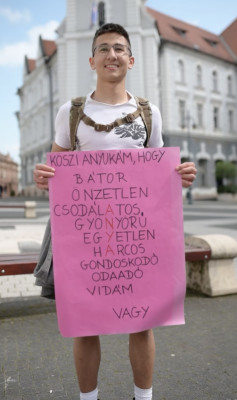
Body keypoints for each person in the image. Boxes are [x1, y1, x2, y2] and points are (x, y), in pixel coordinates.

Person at [32, 23, 197, 400]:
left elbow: (161, 169)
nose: (112, 55)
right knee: (84, 323)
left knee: (143, 320)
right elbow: (55, 169)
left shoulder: (147, 113)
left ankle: (144, 397)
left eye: (120, 49)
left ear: (131, 60)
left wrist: (182, 173)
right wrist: (45, 176)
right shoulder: (71, 112)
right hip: (85, 233)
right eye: (104, 49)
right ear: (92, 60)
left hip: (137, 231)